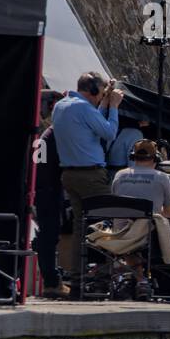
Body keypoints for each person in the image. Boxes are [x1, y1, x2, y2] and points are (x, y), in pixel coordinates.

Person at [53, 71, 122, 299]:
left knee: (80, 230)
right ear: (92, 90)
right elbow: (109, 132)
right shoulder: (83, 108)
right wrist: (113, 106)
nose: (101, 96)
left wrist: (103, 103)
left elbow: (92, 123)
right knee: (105, 226)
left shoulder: (63, 106)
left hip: (70, 175)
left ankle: (77, 283)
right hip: (91, 176)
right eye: (100, 93)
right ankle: (102, 281)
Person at [112, 139, 170, 299]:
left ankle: (141, 280)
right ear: (156, 159)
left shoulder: (120, 175)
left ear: (133, 158)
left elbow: (116, 204)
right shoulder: (162, 177)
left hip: (122, 237)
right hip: (151, 235)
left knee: (131, 235)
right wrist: (156, 211)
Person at [33, 91, 67, 297]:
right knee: (48, 235)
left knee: (48, 235)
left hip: (44, 190)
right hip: (47, 191)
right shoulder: (51, 135)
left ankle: (51, 279)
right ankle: (51, 282)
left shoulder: (44, 135)